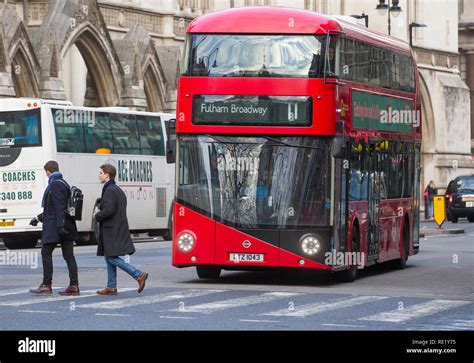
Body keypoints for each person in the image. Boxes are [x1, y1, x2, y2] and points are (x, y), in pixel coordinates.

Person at [93, 164, 148, 295]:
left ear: (107, 175)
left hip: (112, 229)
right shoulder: (116, 189)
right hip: (116, 227)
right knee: (109, 256)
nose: (99, 175)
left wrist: (97, 215)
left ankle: (138, 274)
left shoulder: (110, 190)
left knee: (112, 257)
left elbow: (109, 210)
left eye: (101, 173)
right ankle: (111, 286)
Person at [29, 161, 80, 295]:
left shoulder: (55, 184)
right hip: (66, 224)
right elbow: (55, 207)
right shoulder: (63, 183)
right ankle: (74, 285)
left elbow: (58, 207)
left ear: (48, 172)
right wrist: (38, 218)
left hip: (56, 226)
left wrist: (59, 226)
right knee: (69, 256)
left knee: (45, 253)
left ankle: (47, 284)